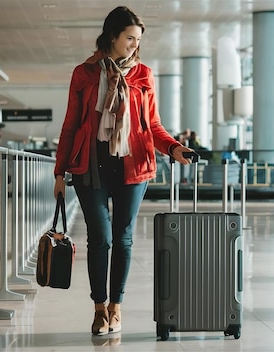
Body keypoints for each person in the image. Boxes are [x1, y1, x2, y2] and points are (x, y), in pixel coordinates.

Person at [53, 6, 193, 336]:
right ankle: (99, 308)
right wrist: (60, 172)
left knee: (123, 238)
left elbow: (153, 124)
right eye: (129, 38)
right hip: (91, 164)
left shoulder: (143, 74)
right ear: (112, 36)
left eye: (138, 39)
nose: (134, 44)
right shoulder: (84, 73)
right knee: (100, 238)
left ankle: (117, 307)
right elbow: (71, 124)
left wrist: (174, 147)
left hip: (134, 163)